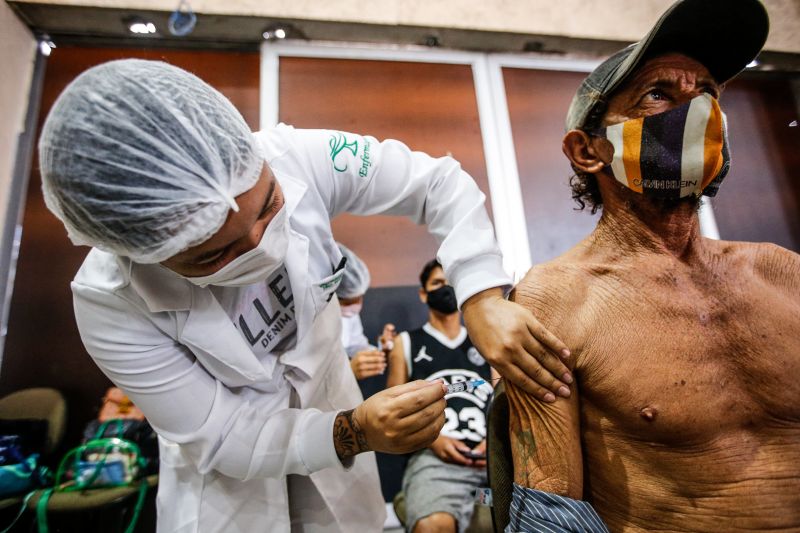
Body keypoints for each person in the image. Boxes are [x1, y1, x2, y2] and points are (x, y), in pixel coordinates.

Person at [37, 59, 570, 532]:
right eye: (212, 255)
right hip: (230, 497)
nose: (261, 247)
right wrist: (351, 432)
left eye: (270, 206)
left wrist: (480, 294)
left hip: (343, 476)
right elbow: (222, 436)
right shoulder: (110, 300)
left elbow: (436, 184)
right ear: (138, 252)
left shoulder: (295, 155)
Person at [503, 0, 800, 531]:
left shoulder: (782, 272)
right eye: (658, 95)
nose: (697, 112)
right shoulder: (554, 300)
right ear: (587, 151)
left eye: (706, 93)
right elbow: (550, 516)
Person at [387, 259, 498, 533]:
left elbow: (504, 402)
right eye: (437, 284)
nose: (445, 289)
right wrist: (432, 439)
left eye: (450, 284)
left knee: (513, 518)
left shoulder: (486, 339)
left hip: (490, 468)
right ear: (423, 293)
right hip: (436, 465)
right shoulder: (406, 343)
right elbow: (390, 414)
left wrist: (494, 441)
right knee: (434, 526)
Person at [336, 242, 392, 381]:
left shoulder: (348, 317)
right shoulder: (305, 321)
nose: (355, 307)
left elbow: (356, 346)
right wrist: (347, 372)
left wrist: (380, 352)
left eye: (359, 298)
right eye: (348, 302)